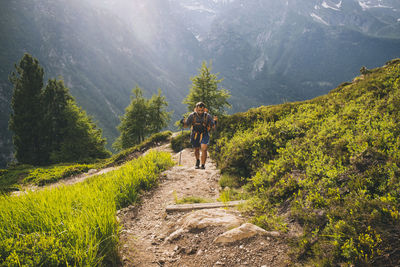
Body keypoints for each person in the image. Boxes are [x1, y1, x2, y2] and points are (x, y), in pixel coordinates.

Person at [181, 102, 217, 169]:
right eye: (199, 110)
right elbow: (186, 125)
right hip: (195, 134)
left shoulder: (207, 116)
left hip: (204, 133)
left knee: (204, 148)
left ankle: (203, 165)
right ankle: (197, 161)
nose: (200, 112)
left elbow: (213, 127)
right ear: (196, 109)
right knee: (196, 149)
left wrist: (215, 122)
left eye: (202, 110)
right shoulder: (192, 116)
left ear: (204, 109)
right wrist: (183, 122)